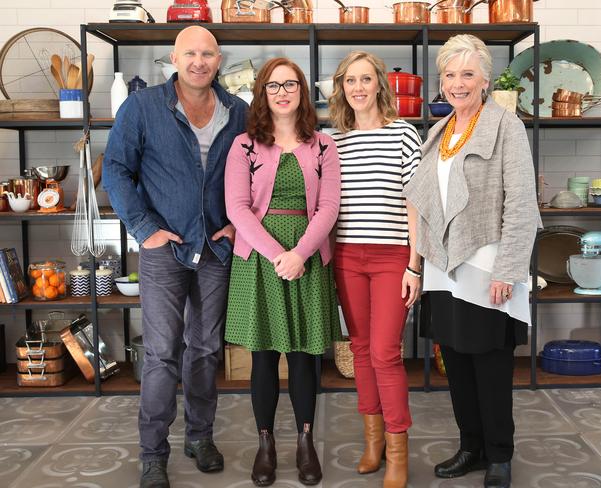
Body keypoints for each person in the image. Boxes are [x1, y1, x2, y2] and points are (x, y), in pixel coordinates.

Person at [103, 26, 248, 488]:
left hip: (216, 247)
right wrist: (145, 230)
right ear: (174, 57)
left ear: (219, 59)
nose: (199, 61)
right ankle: (153, 453)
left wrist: (236, 225)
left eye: (207, 53)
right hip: (164, 249)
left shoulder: (238, 111)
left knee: (205, 351)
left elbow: (255, 172)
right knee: (163, 353)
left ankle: (200, 437)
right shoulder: (143, 107)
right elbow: (116, 170)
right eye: (190, 53)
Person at [404, 34, 541, 488]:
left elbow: (521, 203)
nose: (457, 84)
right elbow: (426, 202)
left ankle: (499, 454)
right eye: (449, 74)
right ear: (440, 80)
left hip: (488, 266)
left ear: (484, 79)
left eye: (467, 74)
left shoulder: (506, 126)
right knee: (457, 363)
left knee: (491, 366)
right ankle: (471, 448)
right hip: (446, 267)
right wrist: (420, 266)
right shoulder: (438, 132)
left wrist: (508, 269)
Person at [224, 57, 341, 487]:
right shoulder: (244, 146)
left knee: (306, 357)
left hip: (307, 257)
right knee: (264, 357)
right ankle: (266, 443)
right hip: (259, 259)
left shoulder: (324, 146)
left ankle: (306, 442)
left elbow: (329, 207)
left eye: (290, 84)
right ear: (262, 93)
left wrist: (301, 253)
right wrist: (279, 254)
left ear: (302, 92)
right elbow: (236, 207)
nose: (282, 92)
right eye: (273, 86)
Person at [328, 51, 422, 488]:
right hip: (348, 257)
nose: (358, 87)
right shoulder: (333, 141)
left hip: (391, 260)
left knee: (386, 353)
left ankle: (398, 450)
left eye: (366, 79)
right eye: (351, 81)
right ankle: (373, 443)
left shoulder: (403, 134)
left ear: (379, 84)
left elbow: (416, 204)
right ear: (342, 88)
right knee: (361, 350)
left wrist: (414, 265)